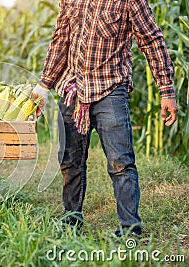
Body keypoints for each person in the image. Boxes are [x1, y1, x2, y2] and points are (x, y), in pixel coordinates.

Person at [32, 0, 178, 236]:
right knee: (69, 161)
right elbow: (61, 40)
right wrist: (43, 87)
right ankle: (71, 221)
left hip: (110, 89)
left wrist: (166, 91)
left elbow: (152, 40)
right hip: (73, 89)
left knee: (121, 163)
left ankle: (130, 228)